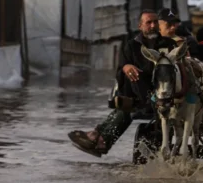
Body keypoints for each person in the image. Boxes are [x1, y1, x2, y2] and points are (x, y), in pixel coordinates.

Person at [67, 10, 177, 157]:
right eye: (148, 22)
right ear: (140, 26)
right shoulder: (132, 45)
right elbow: (121, 67)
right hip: (140, 94)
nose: (152, 25)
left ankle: (100, 138)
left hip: (163, 96)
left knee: (128, 110)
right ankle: (99, 136)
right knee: (126, 106)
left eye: (155, 22)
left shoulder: (169, 45)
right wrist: (126, 67)